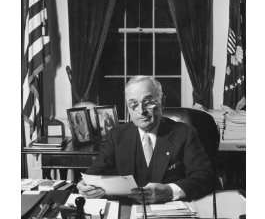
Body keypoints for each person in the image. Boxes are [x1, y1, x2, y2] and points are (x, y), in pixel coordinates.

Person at [77, 76, 214, 203]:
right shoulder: (116, 136)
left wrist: (170, 191)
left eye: (147, 102)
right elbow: (94, 173)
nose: (141, 111)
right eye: (133, 104)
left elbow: (205, 177)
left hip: (171, 211)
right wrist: (85, 185)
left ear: (162, 102)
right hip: (128, 211)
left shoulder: (184, 133)